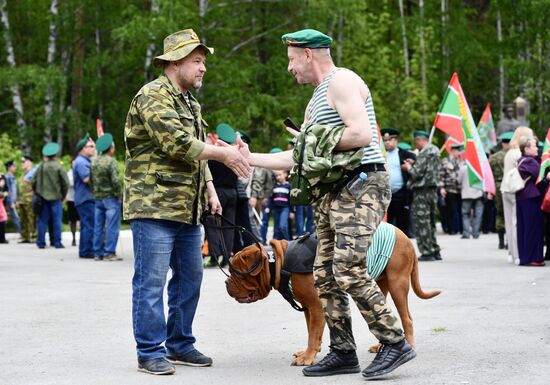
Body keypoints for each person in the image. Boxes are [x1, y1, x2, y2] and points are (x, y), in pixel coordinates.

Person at [227, 29, 415, 379]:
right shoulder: (316, 99)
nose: (289, 68)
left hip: (361, 184)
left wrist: (313, 141)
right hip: (333, 191)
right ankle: (343, 351)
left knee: (347, 268)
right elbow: (299, 156)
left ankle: (394, 341)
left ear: (308, 55)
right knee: (324, 275)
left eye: (291, 60)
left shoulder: (340, 82)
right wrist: (249, 157)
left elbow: (361, 134)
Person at [124, 28, 250, 376]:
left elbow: (198, 156)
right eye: (196, 61)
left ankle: (180, 344)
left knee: (190, 277)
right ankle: (149, 350)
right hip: (154, 204)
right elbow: (178, 144)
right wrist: (225, 153)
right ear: (175, 62)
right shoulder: (152, 96)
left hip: (187, 206)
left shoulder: (190, 102)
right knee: (150, 280)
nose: (203, 68)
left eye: (203, 62)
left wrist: (210, 188)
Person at [402, 130, 442, 261]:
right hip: (432, 191)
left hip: (421, 191)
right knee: (430, 221)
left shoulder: (425, 152)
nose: (415, 144)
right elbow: (427, 170)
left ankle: (427, 251)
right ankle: (434, 249)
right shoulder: (435, 150)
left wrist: (408, 167)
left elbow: (417, 173)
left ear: (420, 140)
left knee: (421, 222)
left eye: (416, 141)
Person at [205, 123, 239, 266]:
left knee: (212, 224)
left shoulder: (214, 155)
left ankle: (214, 255)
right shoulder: (235, 155)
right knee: (229, 226)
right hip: (232, 192)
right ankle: (226, 257)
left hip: (217, 192)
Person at [500, 126, 534, 264]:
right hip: (516, 189)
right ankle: (518, 253)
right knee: (516, 223)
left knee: (509, 222)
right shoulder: (519, 154)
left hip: (505, 189)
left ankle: (511, 253)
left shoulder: (509, 152)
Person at [90, 133, 122, 261]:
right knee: (111, 226)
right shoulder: (111, 162)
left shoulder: (94, 162)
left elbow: (91, 181)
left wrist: (95, 192)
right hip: (110, 198)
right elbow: (115, 181)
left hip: (97, 198)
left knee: (98, 227)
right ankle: (109, 253)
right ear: (110, 148)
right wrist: (119, 194)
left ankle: (97, 253)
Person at [516, 136, 547, 266]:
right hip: (531, 198)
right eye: (534, 146)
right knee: (533, 228)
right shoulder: (531, 162)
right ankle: (534, 257)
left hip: (523, 197)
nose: (537, 148)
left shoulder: (522, 160)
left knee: (524, 228)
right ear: (526, 149)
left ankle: (525, 257)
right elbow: (541, 179)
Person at [32, 143, 69, 249]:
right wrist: (63, 195)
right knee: (57, 220)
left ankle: (41, 242)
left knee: (42, 220)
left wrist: (37, 192)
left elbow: (34, 181)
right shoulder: (59, 166)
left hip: (42, 197)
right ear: (55, 155)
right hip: (56, 198)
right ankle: (57, 243)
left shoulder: (41, 166)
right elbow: (65, 183)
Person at [382, 127, 416, 237]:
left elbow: (416, 164)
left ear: (396, 140)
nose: (387, 142)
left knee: (403, 224)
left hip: (401, 194)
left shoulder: (405, 154)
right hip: (385, 194)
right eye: (385, 140)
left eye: (390, 140)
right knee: (387, 225)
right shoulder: (381, 154)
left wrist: (411, 165)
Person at [73, 133, 96, 258]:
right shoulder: (81, 162)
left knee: (86, 225)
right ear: (83, 149)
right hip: (86, 198)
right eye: (91, 146)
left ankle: (84, 250)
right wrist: (97, 166)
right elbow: (86, 179)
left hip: (84, 198)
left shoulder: (84, 160)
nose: (94, 148)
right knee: (89, 225)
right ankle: (87, 251)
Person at [249, 149, 278, 244]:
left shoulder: (274, 168)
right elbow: (260, 181)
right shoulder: (265, 167)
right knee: (259, 220)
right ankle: (259, 240)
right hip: (260, 197)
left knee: (259, 220)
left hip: (268, 197)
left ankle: (261, 240)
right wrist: (261, 196)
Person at [489, 132, 513, 249]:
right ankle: (510, 241)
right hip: (510, 185)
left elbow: (489, 174)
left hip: (497, 185)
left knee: (499, 213)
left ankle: (501, 242)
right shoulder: (514, 156)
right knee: (510, 213)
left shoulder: (494, 157)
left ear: (502, 143)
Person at [438, 144, 463, 235]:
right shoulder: (445, 161)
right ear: (452, 151)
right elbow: (440, 176)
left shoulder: (460, 161)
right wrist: (441, 188)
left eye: (459, 151)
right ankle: (451, 228)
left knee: (460, 209)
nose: (458, 153)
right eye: (457, 151)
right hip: (449, 189)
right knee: (450, 210)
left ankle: (460, 228)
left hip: (460, 189)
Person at [458, 163, 483, 239]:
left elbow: (459, 181)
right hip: (478, 193)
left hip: (466, 194)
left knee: (465, 214)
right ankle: (476, 233)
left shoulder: (463, 168)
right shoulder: (479, 167)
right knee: (478, 215)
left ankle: (466, 233)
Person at [18, 155, 36, 243]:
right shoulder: (22, 174)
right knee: (23, 219)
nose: (22, 164)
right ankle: (25, 237)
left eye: (23, 162)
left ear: (29, 162)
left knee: (31, 218)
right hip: (22, 199)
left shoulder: (33, 173)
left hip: (30, 199)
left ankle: (34, 236)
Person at [269, 170, 291, 240]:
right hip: (276, 208)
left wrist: (292, 211)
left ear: (285, 174)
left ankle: (288, 242)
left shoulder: (288, 186)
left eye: (280, 175)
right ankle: (277, 244)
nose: (278, 177)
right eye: (277, 175)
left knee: (283, 226)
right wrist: (268, 207)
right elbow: (271, 198)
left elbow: (291, 200)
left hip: (285, 208)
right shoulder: (275, 186)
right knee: (277, 228)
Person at [4, 160, 22, 236]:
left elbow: (16, 190)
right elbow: (8, 191)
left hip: (12, 201)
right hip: (8, 201)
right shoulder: (7, 177)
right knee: (15, 218)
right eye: (13, 166)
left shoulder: (13, 177)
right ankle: (22, 234)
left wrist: (17, 200)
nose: (15, 168)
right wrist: (11, 202)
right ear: (9, 168)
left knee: (6, 218)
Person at [66, 163, 79, 247]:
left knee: (83, 220)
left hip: (80, 199)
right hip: (71, 199)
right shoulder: (69, 173)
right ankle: (73, 238)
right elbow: (70, 183)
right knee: (73, 220)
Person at [0, 175, 8, 243]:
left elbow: (6, 189)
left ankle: (2, 238)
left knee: (3, 219)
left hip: (1, 202)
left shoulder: (2, 176)